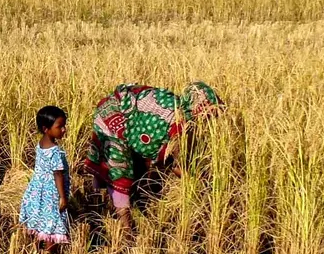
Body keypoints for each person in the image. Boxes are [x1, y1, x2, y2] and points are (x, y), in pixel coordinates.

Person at [82, 81, 224, 231]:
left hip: (125, 110)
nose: (209, 121)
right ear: (197, 108)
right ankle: (125, 227)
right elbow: (173, 163)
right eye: (208, 115)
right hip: (113, 116)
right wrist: (197, 183)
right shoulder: (175, 122)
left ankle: (108, 201)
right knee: (120, 171)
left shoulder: (182, 113)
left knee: (135, 168)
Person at [19, 105, 72, 250]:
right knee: (52, 223)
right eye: (59, 126)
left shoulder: (41, 144)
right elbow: (57, 174)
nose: (63, 130)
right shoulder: (55, 151)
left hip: (37, 190)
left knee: (39, 218)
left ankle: (35, 251)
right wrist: (62, 197)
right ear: (45, 129)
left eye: (64, 126)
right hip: (51, 192)